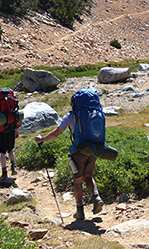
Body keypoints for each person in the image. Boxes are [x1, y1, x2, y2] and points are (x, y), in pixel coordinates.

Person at [34, 93, 104, 221]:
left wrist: (42, 139)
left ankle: (80, 211)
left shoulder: (71, 116)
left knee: (77, 181)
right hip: (93, 150)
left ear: (74, 103)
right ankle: (96, 197)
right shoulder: (95, 113)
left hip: (78, 151)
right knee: (88, 176)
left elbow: (56, 133)